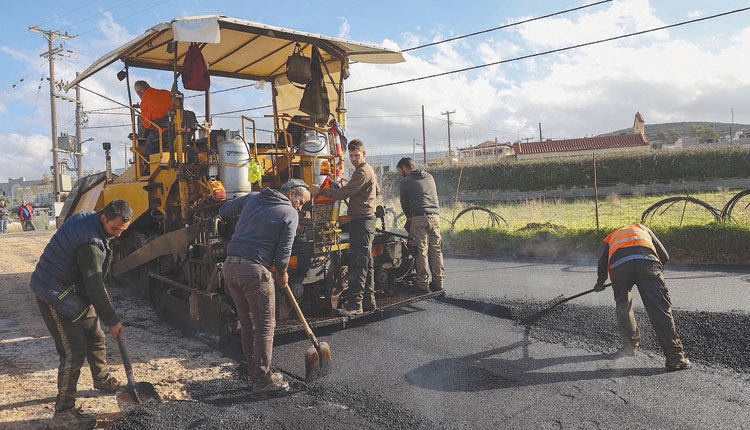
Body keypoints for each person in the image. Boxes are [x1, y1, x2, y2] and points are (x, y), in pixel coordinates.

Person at [31, 200, 132, 430]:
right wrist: (113, 321)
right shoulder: (90, 245)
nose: (117, 235)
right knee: (72, 352)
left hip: (72, 289)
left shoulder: (93, 220)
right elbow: (94, 286)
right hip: (53, 292)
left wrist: (103, 308)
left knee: (95, 335)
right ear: (104, 218)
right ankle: (63, 414)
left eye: (123, 231)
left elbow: (93, 280)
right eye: (115, 229)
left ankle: (101, 378)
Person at [219, 180, 310, 398]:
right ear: (292, 193)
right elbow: (284, 251)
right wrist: (282, 273)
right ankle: (262, 381)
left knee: (248, 325)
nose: (301, 208)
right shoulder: (289, 213)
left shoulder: (253, 197)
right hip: (254, 272)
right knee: (265, 327)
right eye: (301, 202)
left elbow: (223, 210)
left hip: (230, 268)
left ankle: (255, 374)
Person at [595, 223, 691, 370]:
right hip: (648, 263)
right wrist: (655, 271)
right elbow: (665, 256)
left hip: (619, 269)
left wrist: (600, 283)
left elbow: (602, 263)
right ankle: (675, 358)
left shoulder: (612, 236)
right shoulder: (643, 228)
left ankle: (629, 347)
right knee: (659, 309)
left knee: (623, 307)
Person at [311, 139, 379, 316]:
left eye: (357, 155)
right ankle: (369, 302)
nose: (354, 159)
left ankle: (355, 306)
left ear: (363, 154)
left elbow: (346, 193)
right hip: (365, 220)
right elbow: (375, 190)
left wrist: (321, 192)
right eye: (352, 156)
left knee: (358, 264)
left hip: (362, 221)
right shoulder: (365, 170)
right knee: (367, 263)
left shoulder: (362, 171)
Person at [397, 157, 444, 292]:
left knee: (420, 250)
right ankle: (438, 282)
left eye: (401, 170)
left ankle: (423, 284)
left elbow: (405, 204)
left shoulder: (406, 181)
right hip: (435, 216)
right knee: (436, 250)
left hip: (419, 217)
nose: (401, 173)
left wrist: (409, 218)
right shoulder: (429, 177)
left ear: (405, 168)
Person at [133, 80, 174, 155]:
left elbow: (147, 125)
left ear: (139, 93)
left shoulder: (145, 102)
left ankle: (151, 164)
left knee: (149, 142)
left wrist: (143, 111)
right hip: (178, 130)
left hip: (165, 133)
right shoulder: (166, 93)